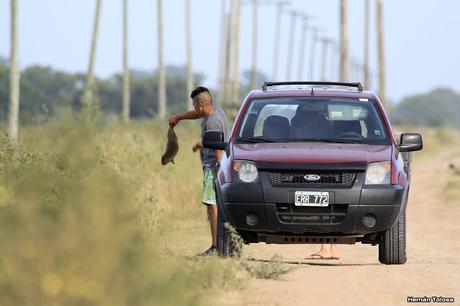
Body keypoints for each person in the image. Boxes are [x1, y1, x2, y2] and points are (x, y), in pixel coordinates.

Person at [169, 86, 228, 256]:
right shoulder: (217, 113)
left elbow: (217, 147)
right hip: (214, 166)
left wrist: (220, 172)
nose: (194, 110)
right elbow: (212, 134)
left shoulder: (212, 122)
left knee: (212, 206)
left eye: (195, 106)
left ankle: (216, 247)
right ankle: (220, 245)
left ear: (201, 105)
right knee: (215, 206)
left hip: (213, 168)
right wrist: (179, 117)